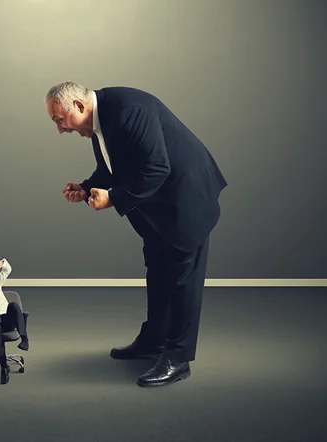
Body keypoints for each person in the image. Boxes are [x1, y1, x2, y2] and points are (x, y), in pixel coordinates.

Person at [44, 81, 227, 387]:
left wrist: (113, 199)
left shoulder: (129, 110)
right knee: (157, 271)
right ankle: (154, 340)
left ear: (78, 106)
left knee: (184, 280)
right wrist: (86, 187)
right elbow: (112, 167)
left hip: (186, 199)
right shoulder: (99, 121)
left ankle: (178, 358)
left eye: (60, 120)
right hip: (155, 205)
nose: (61, 130)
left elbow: (157, 168)